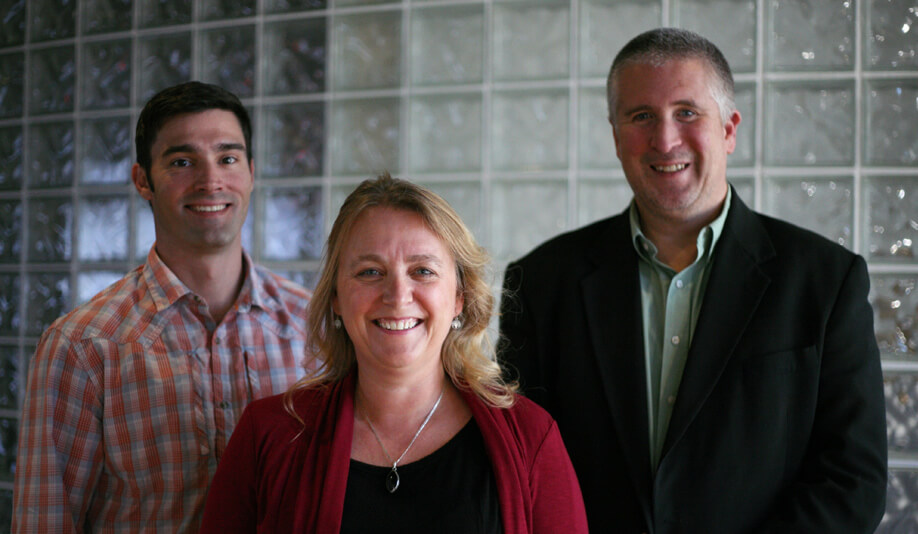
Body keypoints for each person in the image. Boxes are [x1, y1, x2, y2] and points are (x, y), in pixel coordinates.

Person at [499, 28, 887, 533]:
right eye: (641, 116)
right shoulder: (541, 281)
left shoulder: (825, 280)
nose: (665, 139)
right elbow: (518, 465)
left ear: (729, 129)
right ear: (616, 136)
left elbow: (853, 481)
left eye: (687, 112)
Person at [199, 174, 588, 533]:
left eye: (422, 271)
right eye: (370, 272)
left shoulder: (532, 438)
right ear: (335, 297)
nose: (397, 296)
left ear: (458, 298)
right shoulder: (267, 434)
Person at [12, 81, 311, 533]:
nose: (211, 180)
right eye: (182, 162)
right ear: (142, 181)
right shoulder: (83, 346)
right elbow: (45, 521)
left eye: (228, 158)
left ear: (251, 172)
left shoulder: (316, 326)